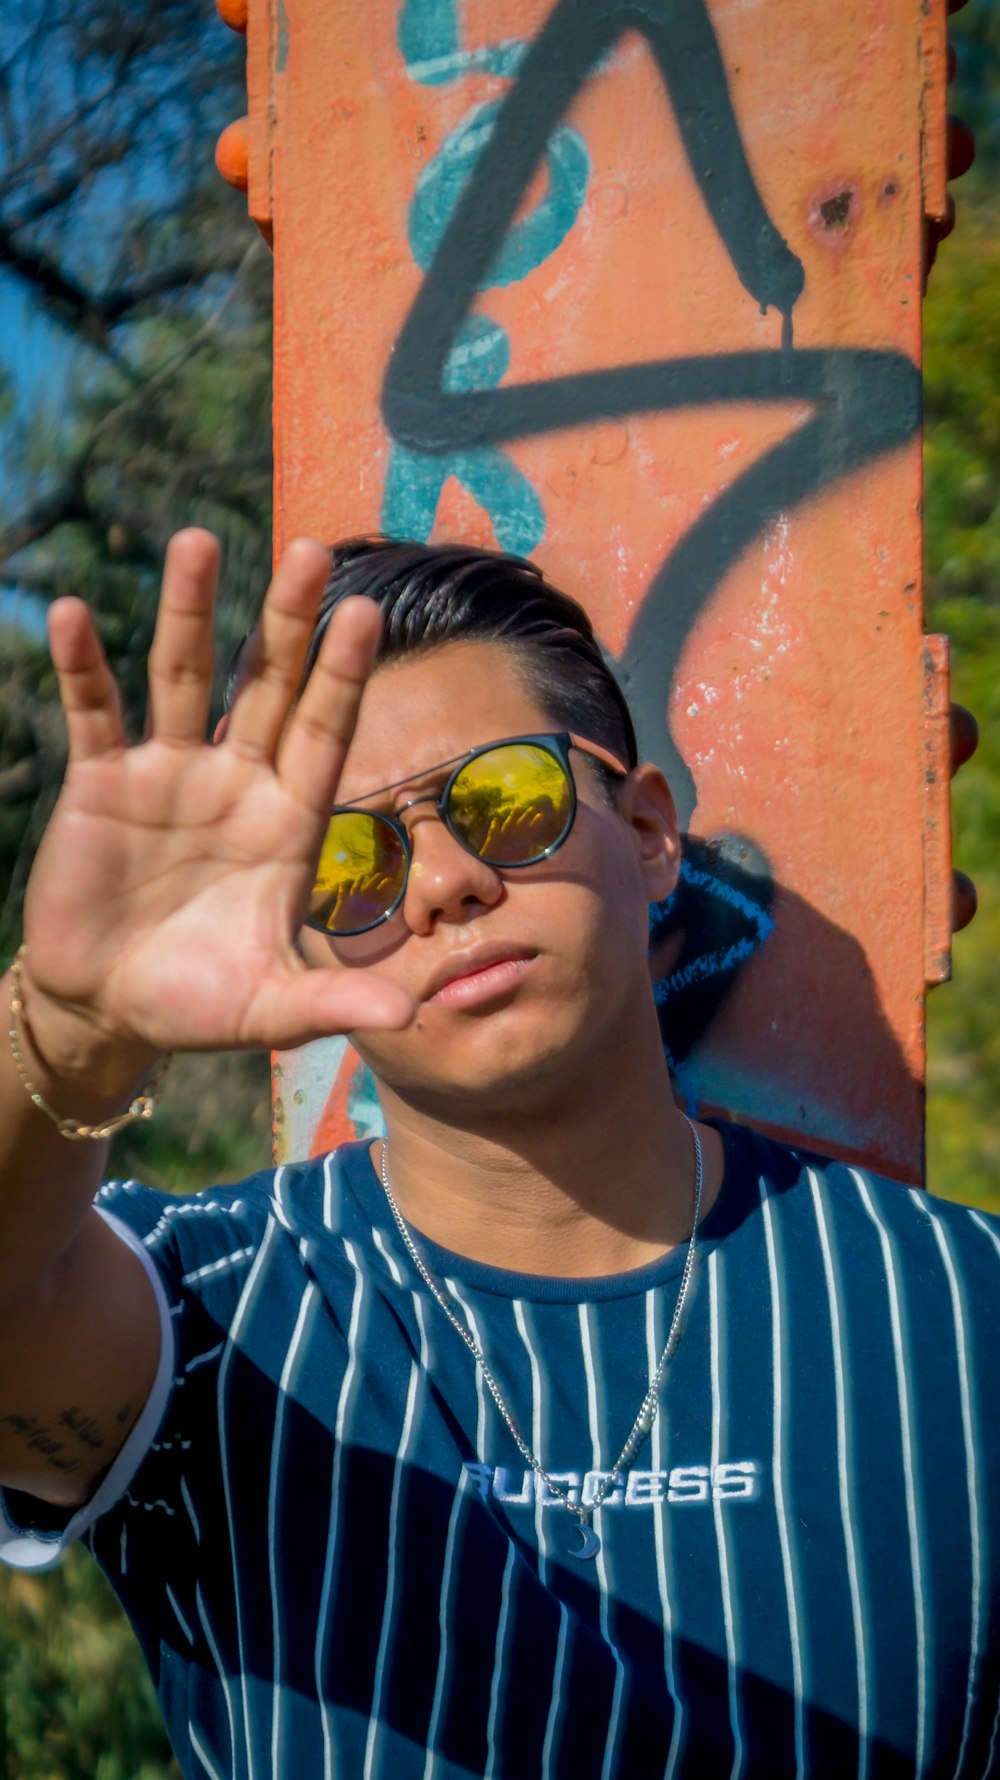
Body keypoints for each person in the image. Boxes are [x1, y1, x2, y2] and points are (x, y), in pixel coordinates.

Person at [0, 529, 996, 1780]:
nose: (445, 881)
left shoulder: (962, 1315)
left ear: (645, 832)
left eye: (505, 801)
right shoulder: (212, 1322)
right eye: (347, 864)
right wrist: (70, 1028)